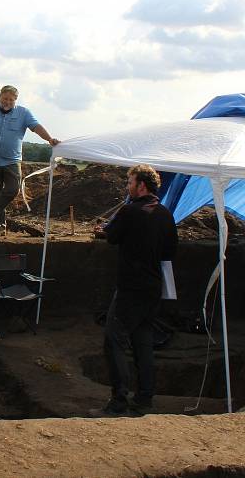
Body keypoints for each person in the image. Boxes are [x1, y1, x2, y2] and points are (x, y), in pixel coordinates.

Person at [97, 165, 178, 417]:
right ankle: (144, 399)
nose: (127, 186)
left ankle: (119, 400)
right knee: (143, 343)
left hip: (130, 289)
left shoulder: (129, 211)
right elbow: (169, 252)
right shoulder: (166, 214)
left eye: (130, 182)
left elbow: (111, 237)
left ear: (141, 185)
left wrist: (104, 231)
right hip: (153, 289)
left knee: (114, 341)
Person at [0, 85, 59, 237]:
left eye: (10, 99)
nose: (7, 101)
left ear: (15, 100)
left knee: (12, 190)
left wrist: (49, 139)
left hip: (12, 161)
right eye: (4, 98)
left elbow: (36, 127)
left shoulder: (23, 113)